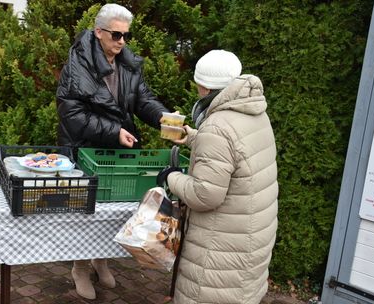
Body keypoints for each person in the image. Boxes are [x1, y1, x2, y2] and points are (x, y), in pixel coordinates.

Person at [55, 3, 169, 300]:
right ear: (98, 32)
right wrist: (113, 132)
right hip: (84, 149)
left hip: (115, 151)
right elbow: (72, 115)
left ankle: (101, 259)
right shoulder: (76, 66)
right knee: (86, 213)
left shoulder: (127, 63)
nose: (122, 41)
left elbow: (143, 100)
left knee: (114, 210)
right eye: (116, 35)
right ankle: (80, 267)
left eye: (125, 35)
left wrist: (164, 119)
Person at [157, 50, 279, 304]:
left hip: (220, 247)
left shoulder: (217, 126)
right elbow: (235, 154)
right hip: (249, 237)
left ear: (203, 86)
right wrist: (194, 137)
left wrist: (171, 177)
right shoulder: (254, 112)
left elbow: (205, 195)